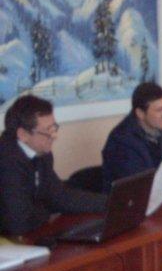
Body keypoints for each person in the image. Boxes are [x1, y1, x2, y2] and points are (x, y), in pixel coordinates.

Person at [0, 96, 107, 236]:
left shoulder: (42, 153)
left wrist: (110, 202)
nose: (55, 136)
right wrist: (49, 208)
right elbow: (19, 222)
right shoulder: (6, 161)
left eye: (54, 127)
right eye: (48, 130)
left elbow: (59, 196)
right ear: (23, 134)